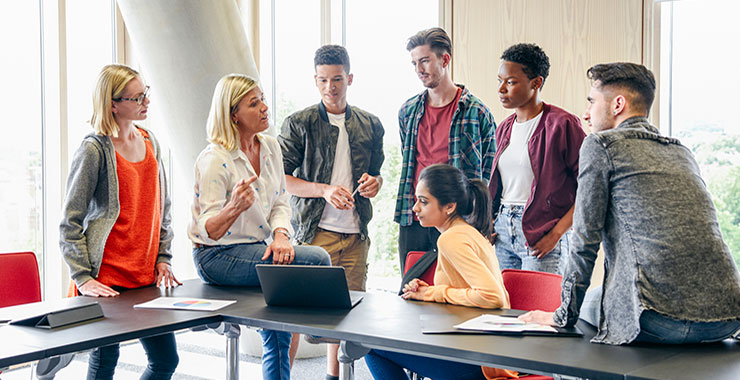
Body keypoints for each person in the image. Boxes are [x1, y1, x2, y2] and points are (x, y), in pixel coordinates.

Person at [520, 62, 740, 345]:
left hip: (657, 318)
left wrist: (561, 316)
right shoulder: (681, 151)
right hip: (726, 317)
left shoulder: (601, 145)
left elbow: (585, 240)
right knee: (601, 295)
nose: (586, 114)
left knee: (584, 310)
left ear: (618, 104)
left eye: (592, 102)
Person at [188, 73, 331, 379]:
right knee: (317, 259)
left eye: (263, 99)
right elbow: (207, 230)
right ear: (233, 114)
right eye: (254, 103)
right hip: (216, 255)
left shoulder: (269, 147)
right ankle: (318, 327)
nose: (265, 107)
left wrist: (281, 236)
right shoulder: (215, 159)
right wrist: (234, 207)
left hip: (257, 248)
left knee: (279, 328)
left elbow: (280, 202)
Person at [60, 64, 181, 380]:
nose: (146, 102)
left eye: (146, 93)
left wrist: (164, 259)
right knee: (104, 364)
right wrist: (83, 277)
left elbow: (161, 208)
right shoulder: (94, 149)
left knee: (166, 360)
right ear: (113, 104)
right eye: (137, 97)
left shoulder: (150, 141)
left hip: (144, 277)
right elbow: (69, 221)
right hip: (107, 278)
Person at [278, 45, 384, 380]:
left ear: (349, 78)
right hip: (313, 233)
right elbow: (281, 179)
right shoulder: (299, 123)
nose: (330, 87)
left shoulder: (370, 124)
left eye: (337, 79)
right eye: (323, 80)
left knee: (347, 315)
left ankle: (333, 376)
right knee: (297, 315)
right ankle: (282, 375)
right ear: (315, 80)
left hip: (355, 235)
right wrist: (323, 190)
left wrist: (374, 183)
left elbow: (377, 172)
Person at [366, 164, 516, 380]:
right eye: (417, 199)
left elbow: (492, 296)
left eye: (424, 202)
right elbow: (467, 291)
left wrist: (435, 293)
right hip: (489, 353)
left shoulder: (451, 239)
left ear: (449, 207)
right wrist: (430, 291)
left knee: (370, 344)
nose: (415, 208)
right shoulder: (468, 233)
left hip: (480, 361)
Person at [395, 27, 496, 273]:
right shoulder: (408, 112)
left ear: (445, 59)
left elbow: (488, 173)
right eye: (415, 63)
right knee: (412, 291)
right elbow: (408, 163)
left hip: (459, 218)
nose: (419, 69)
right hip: (415, 217)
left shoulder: (477, 112)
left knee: (458, 293)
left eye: (425, 61)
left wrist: (483, 221)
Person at [490, 43, 586, 274]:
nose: (502, 89)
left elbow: (589, 187)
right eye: (500, 80)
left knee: (539, 308)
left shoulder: (563, 124)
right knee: (510, 307)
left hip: (542, 233)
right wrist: (491, 221)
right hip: (504, 230)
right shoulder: (504, 128)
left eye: (510, 82)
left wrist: (556, 235)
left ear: (536, 83)